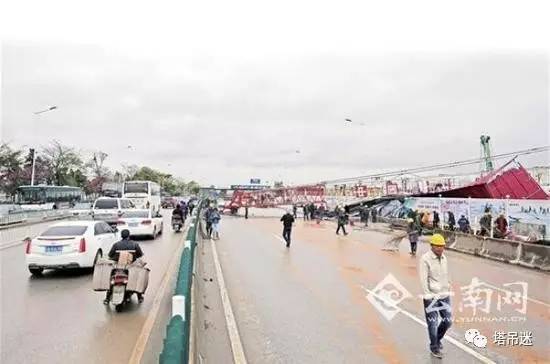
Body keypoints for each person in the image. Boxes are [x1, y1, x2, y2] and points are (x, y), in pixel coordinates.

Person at [419, 234, 452, 359]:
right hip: (431, 296)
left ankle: (437, 340)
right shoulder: (425, 259)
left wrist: (448, 286)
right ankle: (434, 347)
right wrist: (428, 295)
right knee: (432, 323)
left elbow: (446, 275)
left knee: (447, 321)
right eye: (437, 246)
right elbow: (423, 278)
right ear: (432, 246)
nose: (440, 248)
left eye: (442, 246)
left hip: (444, 295)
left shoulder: (444, 258)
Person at [105, 229, 145, 304]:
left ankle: (107, 298)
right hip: (130, 268)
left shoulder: (116, 244)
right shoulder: (135, 244)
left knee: (111, 279)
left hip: (118, 268)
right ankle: (139, 297)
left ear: (121, 236)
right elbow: (140, 255)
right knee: (136, 279)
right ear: (129, 236)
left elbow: (110, 255)